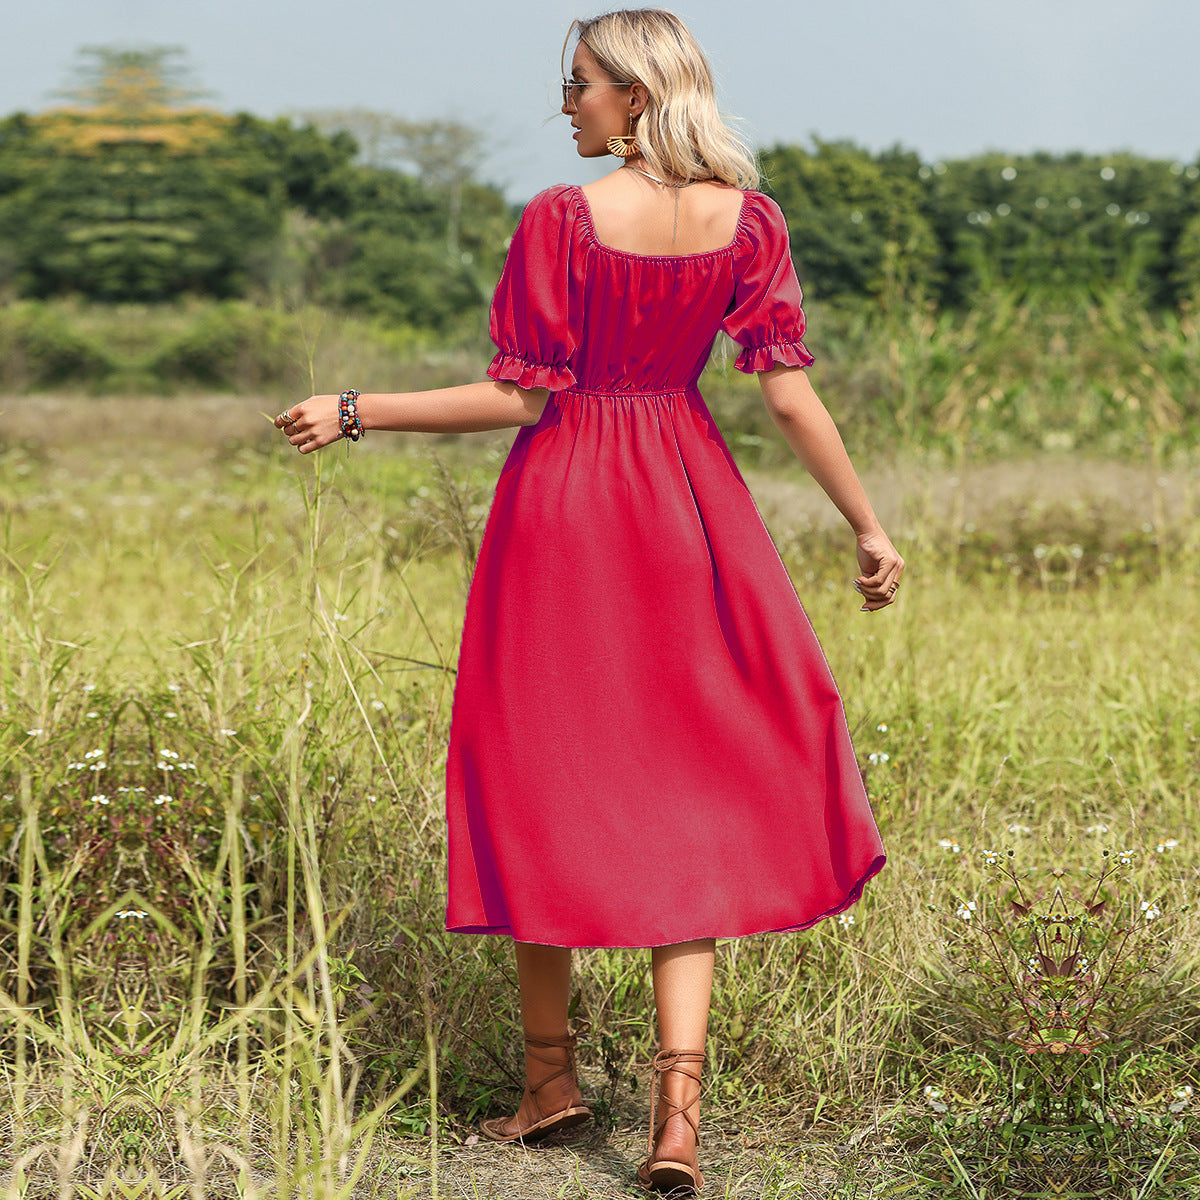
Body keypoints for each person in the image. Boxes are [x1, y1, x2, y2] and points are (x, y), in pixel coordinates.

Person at [275, 8, 903, 1192]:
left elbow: (523, 398)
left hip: (566, 511)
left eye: (581, 87)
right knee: (697, 788)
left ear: (637, 94)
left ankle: (549, 1084)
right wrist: (866, 525)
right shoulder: (747, 220)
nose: (566, 106)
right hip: (689, 509)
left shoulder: (563, 219)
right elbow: (788, 397)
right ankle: (677, 1121)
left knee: (539, 772)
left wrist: (358, 410)